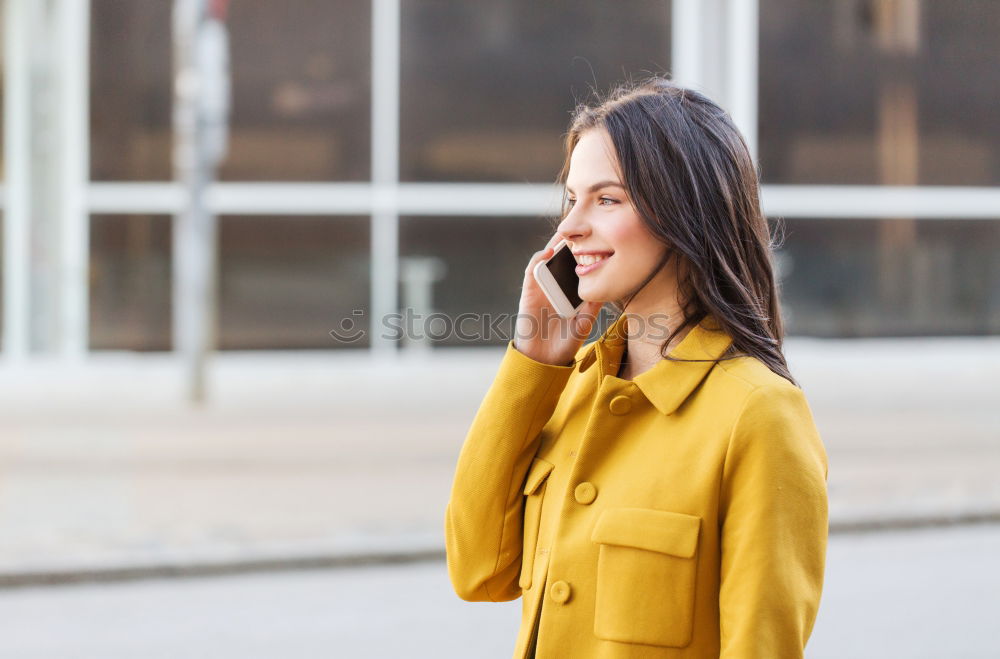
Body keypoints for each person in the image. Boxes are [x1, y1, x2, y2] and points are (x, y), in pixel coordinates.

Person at [444, 75, 829, 658]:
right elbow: (476, 569)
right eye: (572, 199)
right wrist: (532, 364)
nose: (570, 227)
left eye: (607, 199)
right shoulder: (576, 386)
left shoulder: (758, 414)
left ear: (685, 211)